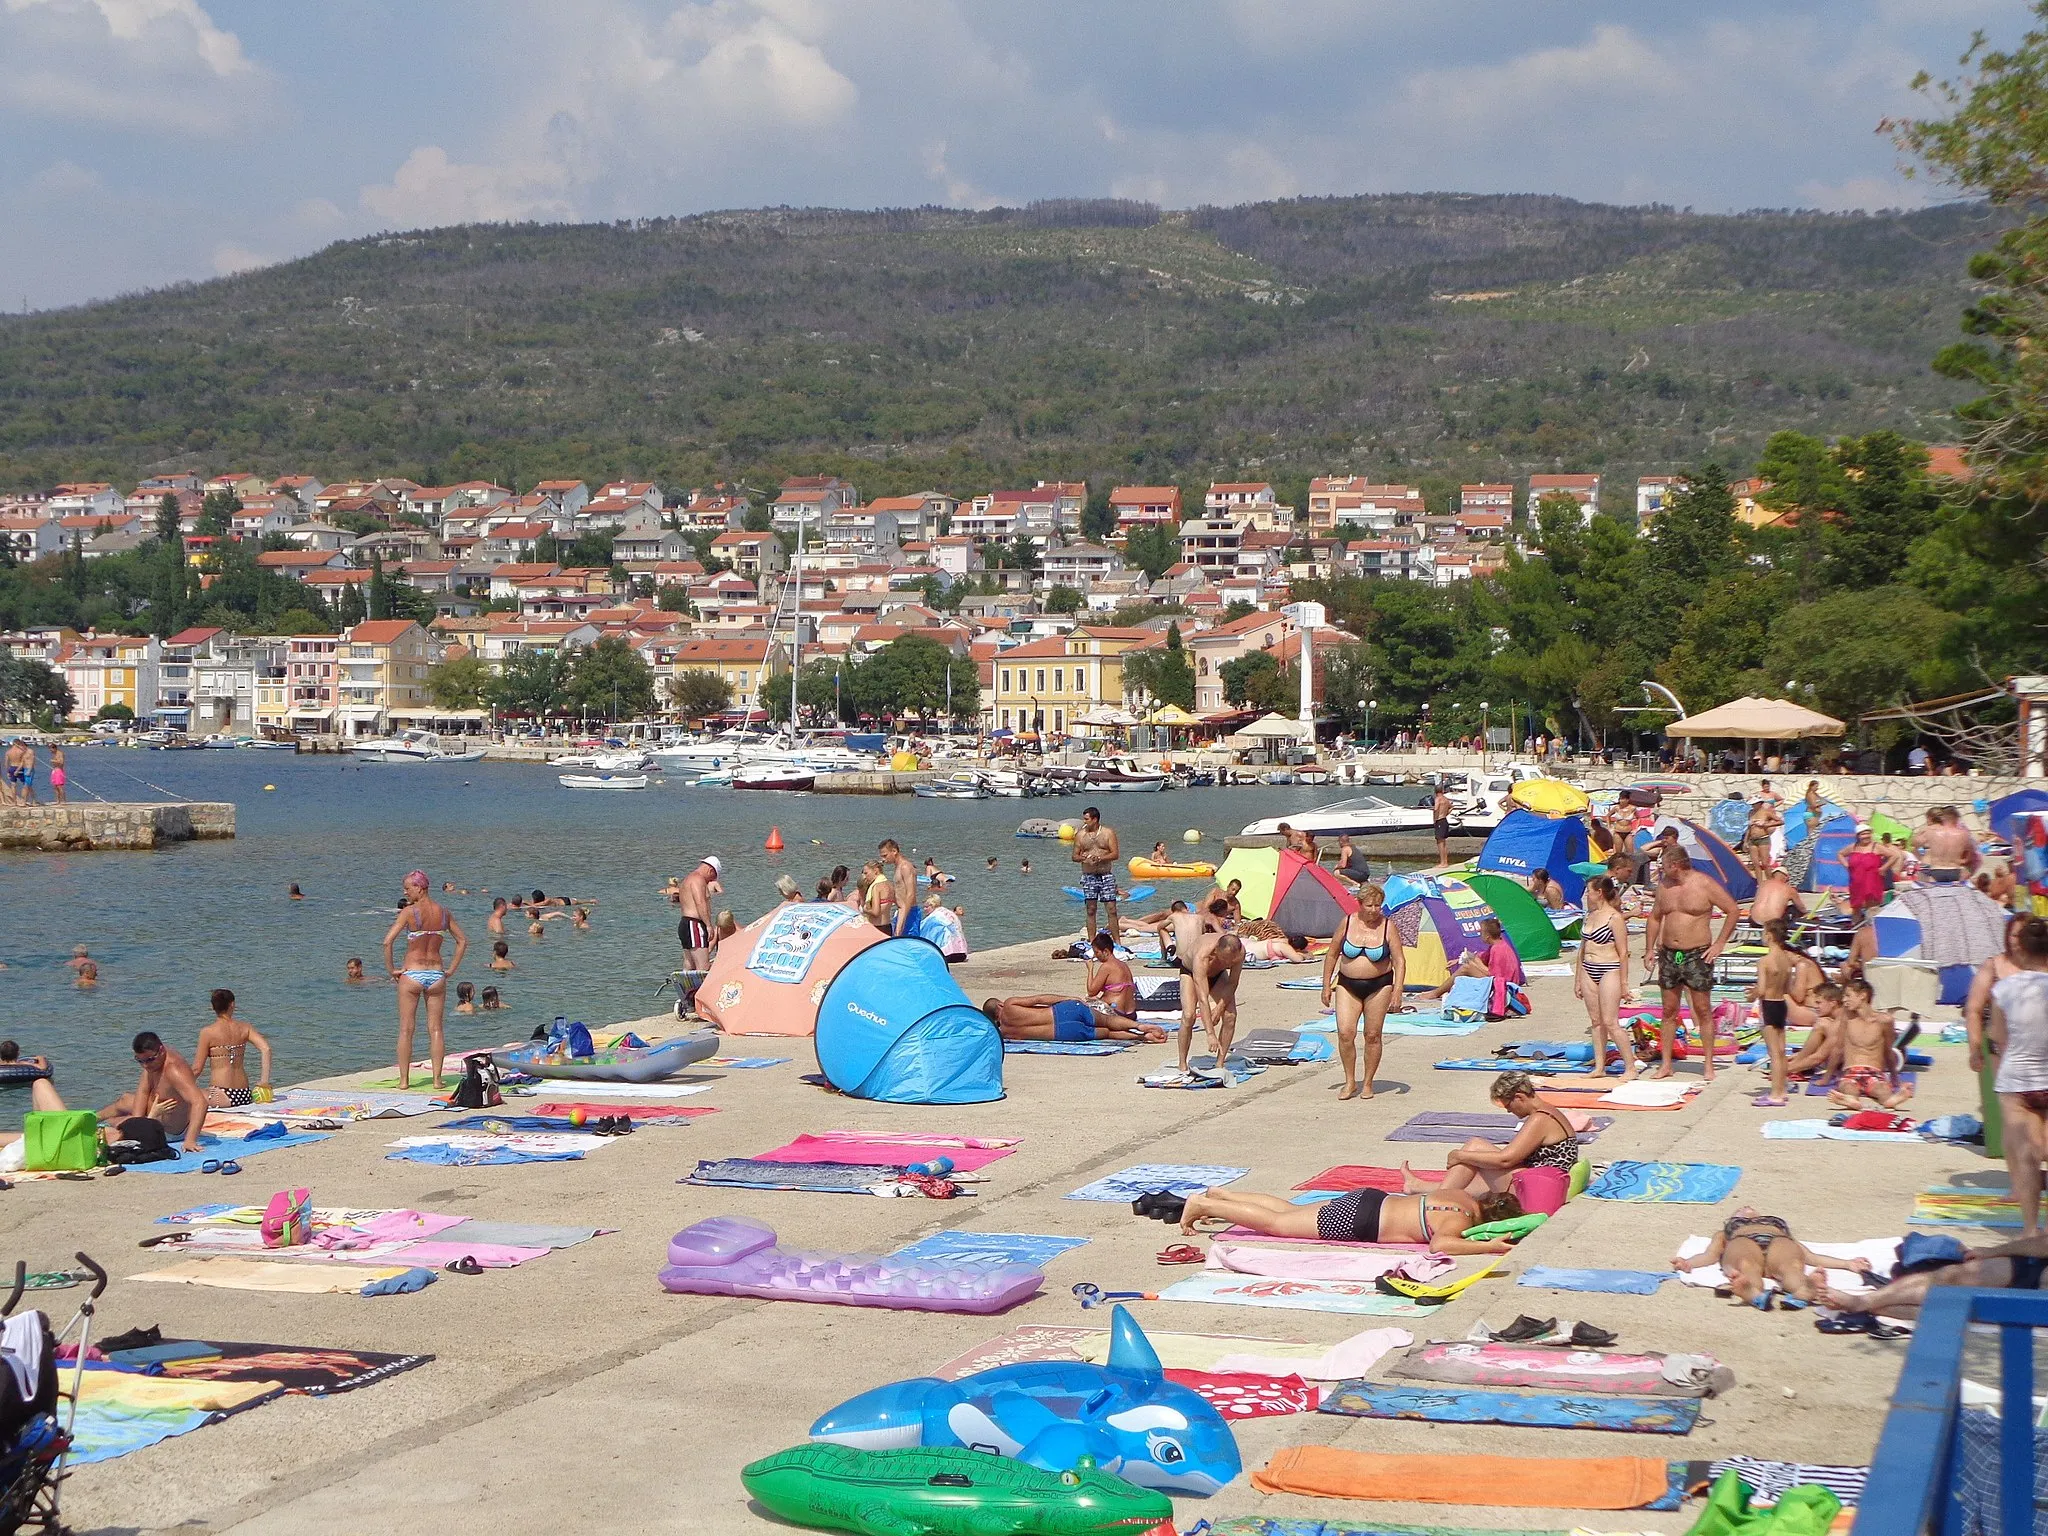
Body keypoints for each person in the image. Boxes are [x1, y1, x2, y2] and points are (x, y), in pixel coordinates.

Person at [1176, 1181, 1517, 1254]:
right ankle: (1206, 1206)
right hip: (1361, 1220)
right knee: (1277, 1225)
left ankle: (1224, 1195)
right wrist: (1491, 1248)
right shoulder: (1459, 1219)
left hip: (1372, 1200)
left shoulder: (1461, 1195)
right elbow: (1442, 1243)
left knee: (1289, 1210)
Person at [1643, 847, 1740, 1080]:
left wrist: (1719, 944)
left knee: (1703, 1009)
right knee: (1668, 1010)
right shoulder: (1665, 886)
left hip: (1697, 954)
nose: (1660, 869)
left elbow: (1733, 910)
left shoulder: (1704, 884)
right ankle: (1666, 1064)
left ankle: (1708, 1064)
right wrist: (1648, 949)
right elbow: (1655, 916)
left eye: (1663, 865)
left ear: (1676, 864)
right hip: (1669, 953)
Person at [1404, 1071, 1581, 1196]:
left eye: (1507, 1105)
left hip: (1539, 1190)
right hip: (1543, 1180)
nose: (1508, 1111)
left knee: (1474, 1148)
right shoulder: (1549, 1112)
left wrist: (1459, 1155)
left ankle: (1437, 1203)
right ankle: (1418, 1186)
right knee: (1472, 1182)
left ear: (1519, 1097)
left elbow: (1506, 1160)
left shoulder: (1540, 1119)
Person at [380, 869, 468, 1092]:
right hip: (437, 974)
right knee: (436, 1029)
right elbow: (462, 941)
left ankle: (404, 1081)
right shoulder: (444, 913)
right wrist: (451, 970)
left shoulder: (410, 912)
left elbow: (387, 942)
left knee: (406, 1029)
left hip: (412, 974)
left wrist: (392, 970)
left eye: (408, 888)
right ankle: (437, 1080)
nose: (405, 892)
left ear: (419, 887)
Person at [1674, 1208, 1862, 1308]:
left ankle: (1804, 1290)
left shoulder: (1775, 1227)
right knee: (1746, 1265)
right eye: (1739, 1210)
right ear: (1733, 1219)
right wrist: (1688, 1263)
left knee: (1792, 1265)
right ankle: (1752, 1292)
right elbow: (1710, 1255)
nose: (1746, 1207)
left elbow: (1809, 1256)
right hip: (1743, 1240)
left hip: (1778, 1240)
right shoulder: (1725, 1232)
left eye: (1750, 1207)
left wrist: (1847, 1264)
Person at [1990, 916, 2048, 1236]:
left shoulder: (2005, 988)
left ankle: (2029, 1229)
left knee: (2026, 1156)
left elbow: (1999, 1037)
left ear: (2021, 951)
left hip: (2018, 1078)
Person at [1323, 883, 1404, 1102]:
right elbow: (1332, 954)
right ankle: (1350, 1081)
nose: (1374, 910)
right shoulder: (1347, 922)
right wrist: (1325, 984)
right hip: (1347, 984)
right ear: (1359, 904)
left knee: (1372, 1035)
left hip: (1379, 985)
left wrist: (1398, 991)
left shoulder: (1388, 926)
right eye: (1369, 905)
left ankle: (1368, 1082)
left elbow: (1399, 960)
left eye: (1378, 905)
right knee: (1345, 1033)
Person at [101, 1032, 208, 1155]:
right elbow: (143, 1091)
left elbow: (200, 1102)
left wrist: (190, 1140)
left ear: (161, 1050)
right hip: (155, 1114)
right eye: (140, 1061)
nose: (145, 1065)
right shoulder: (153, 1061)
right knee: (125, 1100)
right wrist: (138, 1123)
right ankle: (90, 1117)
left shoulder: (173, 1070)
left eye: (149, 1060)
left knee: (110, 1128)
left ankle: (96, 1123)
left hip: (168, 1132)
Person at [1576, 876, 1636, 1084]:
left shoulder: (1615, 918)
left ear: (1599, 892)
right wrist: (1577, 979)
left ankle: (1630, 1066)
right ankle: (1600, 1066)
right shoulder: (1589, 916)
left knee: (1610, 1021)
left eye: (1589, 891)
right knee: (1596, 1022)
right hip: (1588, 969)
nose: (1586, 895)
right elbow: (1582, 950)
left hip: (1609, 968)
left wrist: (1624, 983)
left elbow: (1623, 952)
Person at [1830, 977, 1912, 1110]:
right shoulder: (1847, 1019)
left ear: (1862, 996)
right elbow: (1838, 1049)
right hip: (1851, 1070)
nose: (1844, 1000)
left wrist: (1894, 1076)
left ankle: (1890, 1100)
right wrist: (1828, 1075)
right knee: (1848, 1087)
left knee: (1882, 1089)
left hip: (1874, 1071)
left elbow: (1888, 1051)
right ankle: (1851, 1100)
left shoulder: (1884, 1021)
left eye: (1848, 995)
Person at [192, 989, 272, 1108]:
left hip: (220, 1095)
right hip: (244, 1094)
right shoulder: (245, 1028)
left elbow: (197, 1069)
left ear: (212, 1007)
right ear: (232, 1004)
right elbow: (266, 1049)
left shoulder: (207, 1032)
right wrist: (264, 1082)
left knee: (186, 1095)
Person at [981, 994, 1165, 1043]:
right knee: (1108, 1020)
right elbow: (1040, 999)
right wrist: (1068, 999)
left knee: (1108, 1033)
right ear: (1000, 1006)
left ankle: (1141, 1038)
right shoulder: (1010, 1004)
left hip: (1062, 1033)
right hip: (1063, 1012)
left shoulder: (1005, 1034)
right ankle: (1140, 1026)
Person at [1751, 918, 1798, 1106]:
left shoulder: (1765, 961)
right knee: (1781, 1051)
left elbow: (1761, 990)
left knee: (1774, 1053)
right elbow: (1788, 988)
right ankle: (1782, 1089)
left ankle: (1776, 1094)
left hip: (1769, 1005)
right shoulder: (1787, 960)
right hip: (1781, 1003)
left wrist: (1752, 994)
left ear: (1769, 935)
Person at [1188, 927, 1246, 1071]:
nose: (1228, 964)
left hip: (1218, 975)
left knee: (1230, 1015)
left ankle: (1220, 1062)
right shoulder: (1203, 955)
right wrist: (1210, 1034)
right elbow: (1203, 998)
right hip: (1191, 973)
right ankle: (1182, 1063)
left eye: (1232, 961)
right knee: (1188, 1015)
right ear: (1217, 951)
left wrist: (1219, 1009)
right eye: (1225, 960)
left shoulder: (1240, 953)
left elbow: (1233, 983)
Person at [1070, 808, 1121, 946]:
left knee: (1112, 909)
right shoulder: (1081, 835)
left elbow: (1115, 854)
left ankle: (1117, 942)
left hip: (1105, 874)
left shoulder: (1107, 833)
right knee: (1091, 909)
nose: (1084, 822)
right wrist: (1084, 859)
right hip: (1089, 875)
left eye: (1086, 819)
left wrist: (1100, 858)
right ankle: (1093, 941)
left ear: (1095, 819)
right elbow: (1074, 856)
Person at [676, 857, 723, 969]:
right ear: (710, 870)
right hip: (695, 924)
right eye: (713, 877)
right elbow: (700, 902)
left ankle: (688, 986)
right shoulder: (698, 879)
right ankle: (705, 986)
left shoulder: (687, 879)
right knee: (704, 966)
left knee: (690, 964)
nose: (711, 881)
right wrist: (708, 925)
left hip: (685, 923)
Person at [1911, 806, 1976, 883]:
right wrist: (1962, 861)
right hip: (1954, 870)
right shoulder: (1963, 833)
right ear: (1956, 818)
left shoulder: (1929, 830)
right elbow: (1971, 854)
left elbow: (1915, 843)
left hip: (1934, 868)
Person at [880, 838, 920, 939]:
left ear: (894, 851)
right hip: (902, 911)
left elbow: (911, 894)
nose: (883, 859)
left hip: (909, 912)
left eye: (885, 855)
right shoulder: (897, 867)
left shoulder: (905, 867)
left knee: (909, 944)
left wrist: (902, 919)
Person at [1843, 827, 1888, 917]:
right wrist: (1846, 865)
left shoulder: (1876, 846)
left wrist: (1883, 868)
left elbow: (1894, 855)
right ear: (1858, 836)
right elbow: (1840, 854)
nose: (1866, 836)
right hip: (1856, 880)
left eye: (1868, 833)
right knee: (1856, 906)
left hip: (1872, 880)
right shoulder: (1853, 847)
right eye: (1863, 834)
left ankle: (1871, 926)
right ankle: (1856, 927)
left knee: (1872, 906)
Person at [1750, 864, 1806, 928]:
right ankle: (1792, 929)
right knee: (1794, 908)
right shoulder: (1789, 889)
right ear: (1786, 877)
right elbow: (1802, 908)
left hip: (1755, 920)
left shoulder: (1762, 885)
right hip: (1773, 922)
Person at [1431, 781, 1454, 866]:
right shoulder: (1445, 799)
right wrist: (1446, 813)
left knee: (1440, 843)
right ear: (1442, 791)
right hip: (1444, 820)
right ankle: (1445, 862)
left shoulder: (1438, 799)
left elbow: (1436, 808)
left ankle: (1442, 863)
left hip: (1439, 821)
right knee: (1443, 843)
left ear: (1435, 792)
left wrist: (1434, 815)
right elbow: (1451, 807)